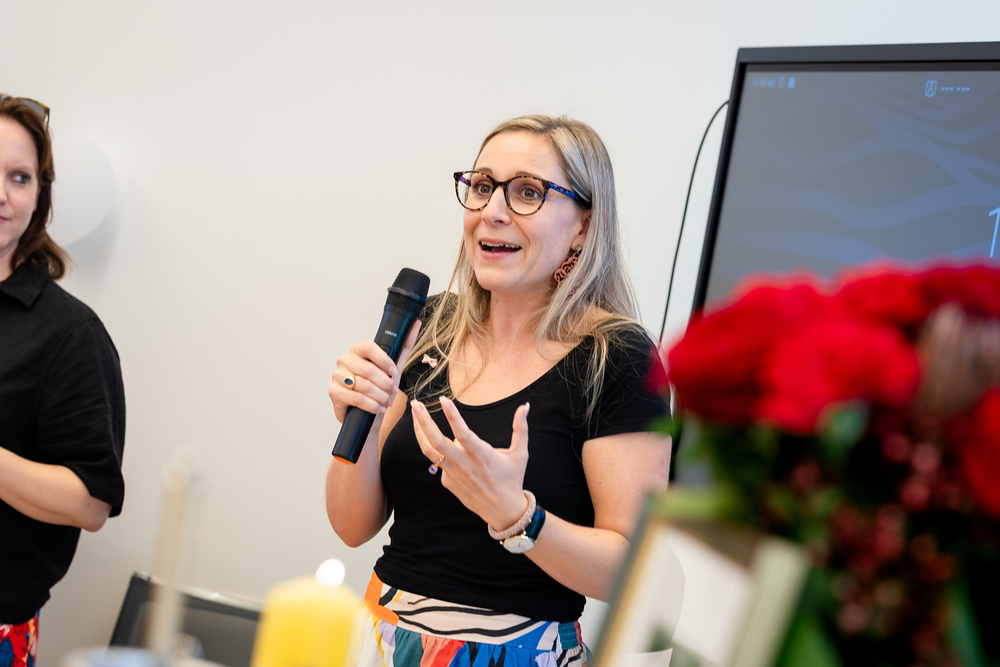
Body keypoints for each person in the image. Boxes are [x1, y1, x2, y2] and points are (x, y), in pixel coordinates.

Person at [326, 115, 669, 667]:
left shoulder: (618, 356)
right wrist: (360, 416)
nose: (492, 210)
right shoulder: (431, 324)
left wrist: (518, 517)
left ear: (583, 226)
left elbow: (633, 570)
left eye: (528, 192)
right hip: (384, 642)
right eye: (483, 186)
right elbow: (350, 525)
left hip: (517, 653)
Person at [0, 95, 126, 661]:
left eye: (19, 177)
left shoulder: (69, 334)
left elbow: (91, 503)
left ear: (39, 198)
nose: (2, 194)